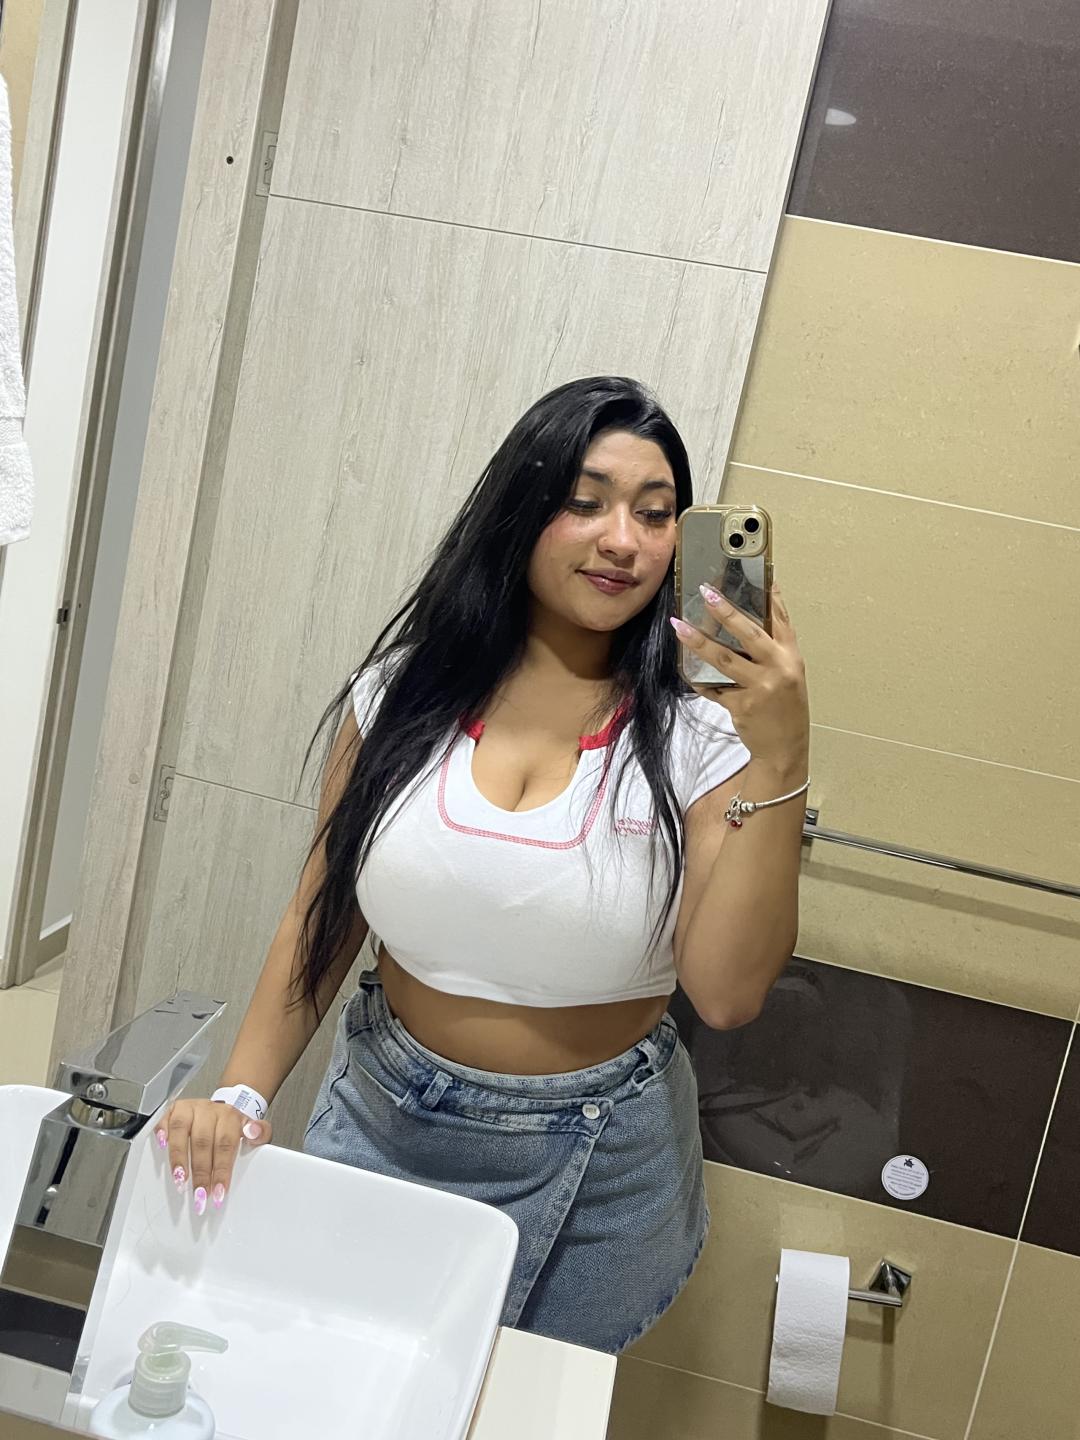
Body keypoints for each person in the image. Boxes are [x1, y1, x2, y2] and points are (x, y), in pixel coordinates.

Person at [160, 376, 810, 1353]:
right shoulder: (398, 697)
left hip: (600, 1164)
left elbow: (725, 996)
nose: (623, 540)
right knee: (336, 1379)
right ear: (520, 509)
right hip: (383, 1113)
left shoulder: (705, 738)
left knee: (513, 1412)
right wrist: (242, 1095)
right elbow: (319, 915)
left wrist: (782, 758)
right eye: (585, 501)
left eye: (655, 513)